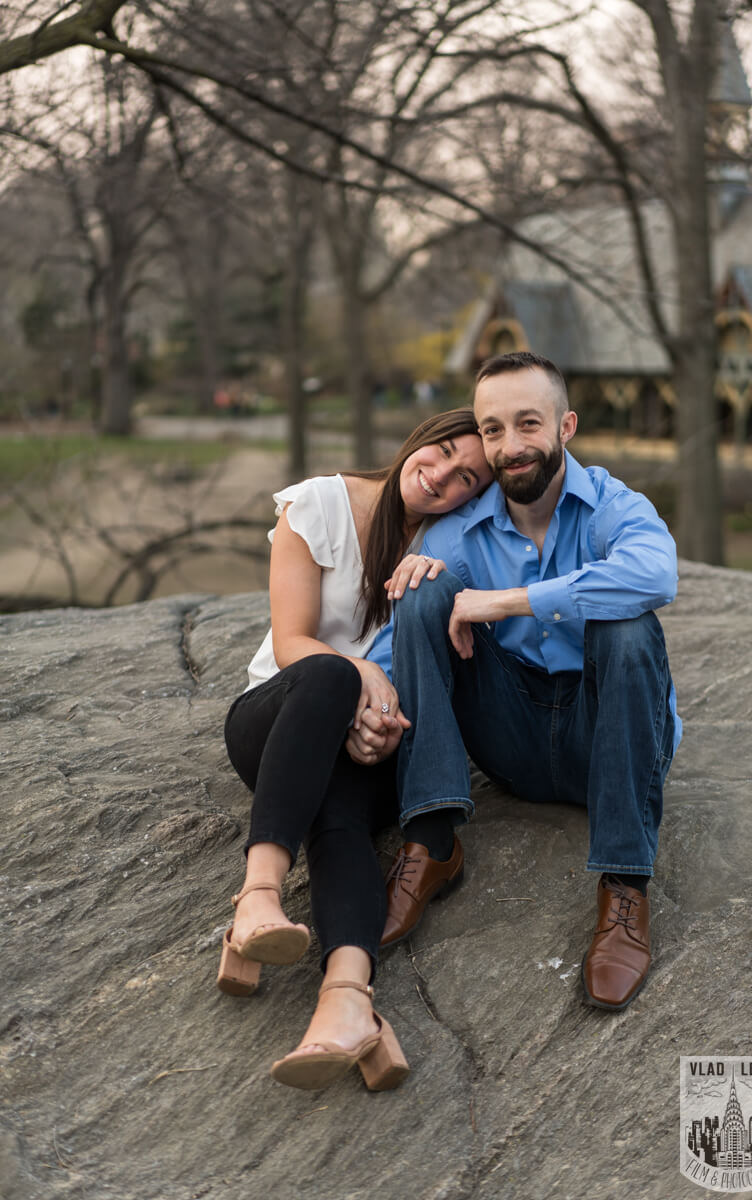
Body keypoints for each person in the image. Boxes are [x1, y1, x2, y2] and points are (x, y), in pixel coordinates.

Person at [368, 351, 681, 1012]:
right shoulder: (458, 530)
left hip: (609, 740)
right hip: (514, 740)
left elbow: (656, 576)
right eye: (492, 430)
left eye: (528, 424)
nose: (511, 447)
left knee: (626, 626)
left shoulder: (610, 505)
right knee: (423, 592)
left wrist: (509, 600)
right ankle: (431, 841)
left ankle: (624, 887)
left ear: (565, 426)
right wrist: (362, 692)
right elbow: (404, 643)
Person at [219, 409, 493, 1091]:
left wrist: (379, 726)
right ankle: (259, 897)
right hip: (283, 716)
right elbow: (291, 645)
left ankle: (349, 1004)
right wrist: (364, 676)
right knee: (332, 673)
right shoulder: (318, 504)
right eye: (445, 451)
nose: (442, 478)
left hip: (368, 748)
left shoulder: (444, 545)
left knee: (341, 825)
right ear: (423, 435)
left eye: (466, 480)